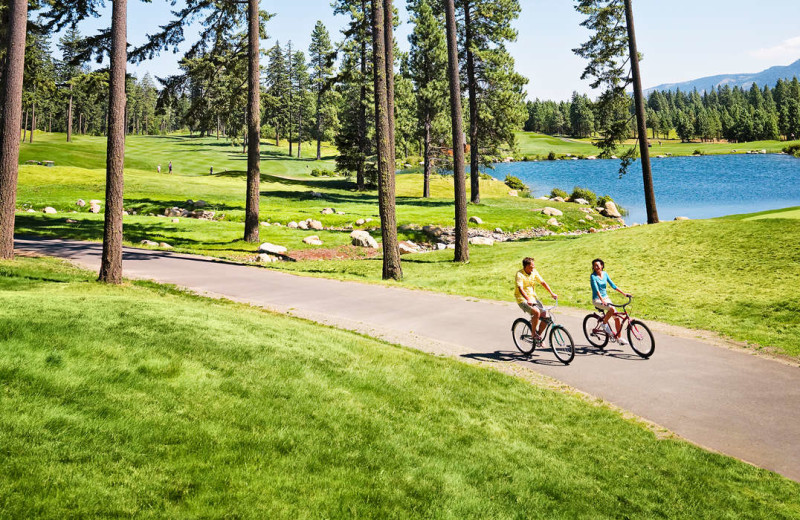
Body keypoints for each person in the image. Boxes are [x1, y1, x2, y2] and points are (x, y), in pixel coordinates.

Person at [514, 257, 558, 341]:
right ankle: (533, 334)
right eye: (531, 266)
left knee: (546, 317)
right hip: (522, 299)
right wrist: (527, 299)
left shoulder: (534, 272)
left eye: (534, 266)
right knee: (536, 312)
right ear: (526, 266)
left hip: (533, 298)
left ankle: (538, 336)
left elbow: (542, 282)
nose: (533, 268)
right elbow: (520, 288)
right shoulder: (519, 274)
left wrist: (552, 293)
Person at [590, 258, 631, 344]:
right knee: (611, 309)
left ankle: (619, 339)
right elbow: (596, 289)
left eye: (598, 265)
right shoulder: (593, 276)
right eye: (594, 266)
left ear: (602, 266)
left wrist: (624, 293)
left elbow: (613, 285)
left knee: (617, 318)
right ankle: (604, 324)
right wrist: (602, 300)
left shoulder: (605, 274)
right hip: (597, 299)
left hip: (606, 298)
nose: (596, 267)